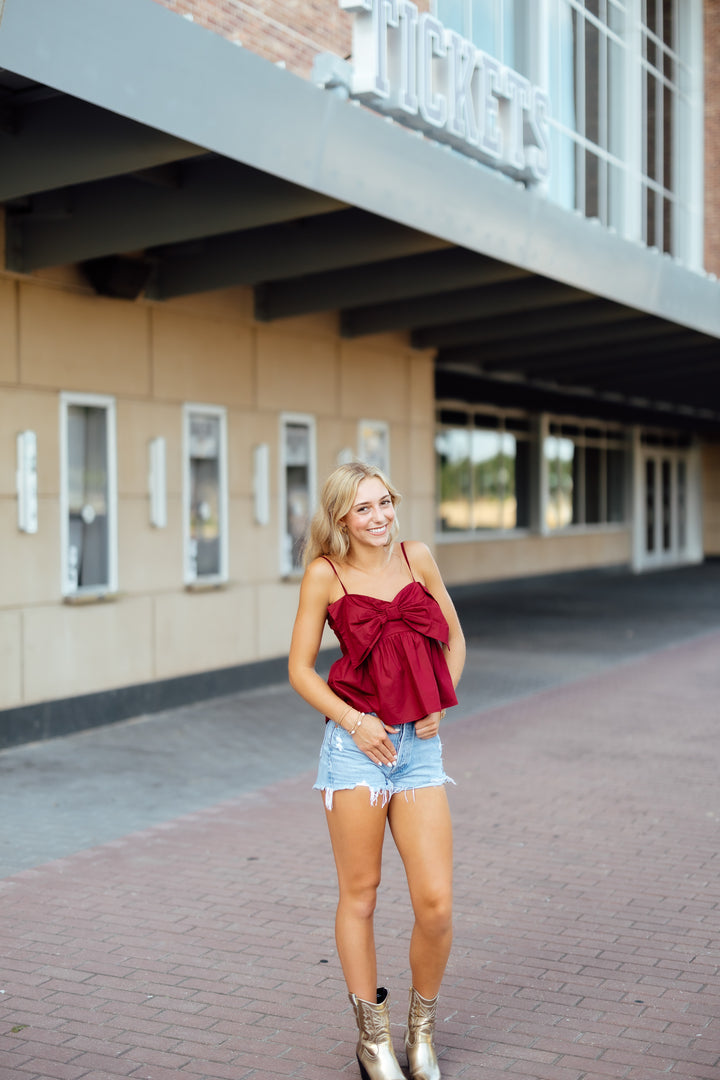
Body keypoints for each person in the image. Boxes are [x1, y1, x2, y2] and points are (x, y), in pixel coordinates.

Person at [289, 462, 466, 1080]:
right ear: (341, 517)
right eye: (364, 508)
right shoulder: (325, 575)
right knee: (360, 896)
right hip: (355, 751)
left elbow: (455, 640)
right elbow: (301, 670)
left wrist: (440, 701)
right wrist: (355, 721)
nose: (379, 516)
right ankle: (374, 1041)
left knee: (436, 903)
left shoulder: (417, 557)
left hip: (418, 753)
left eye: (385, 502)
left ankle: (422, 1031)